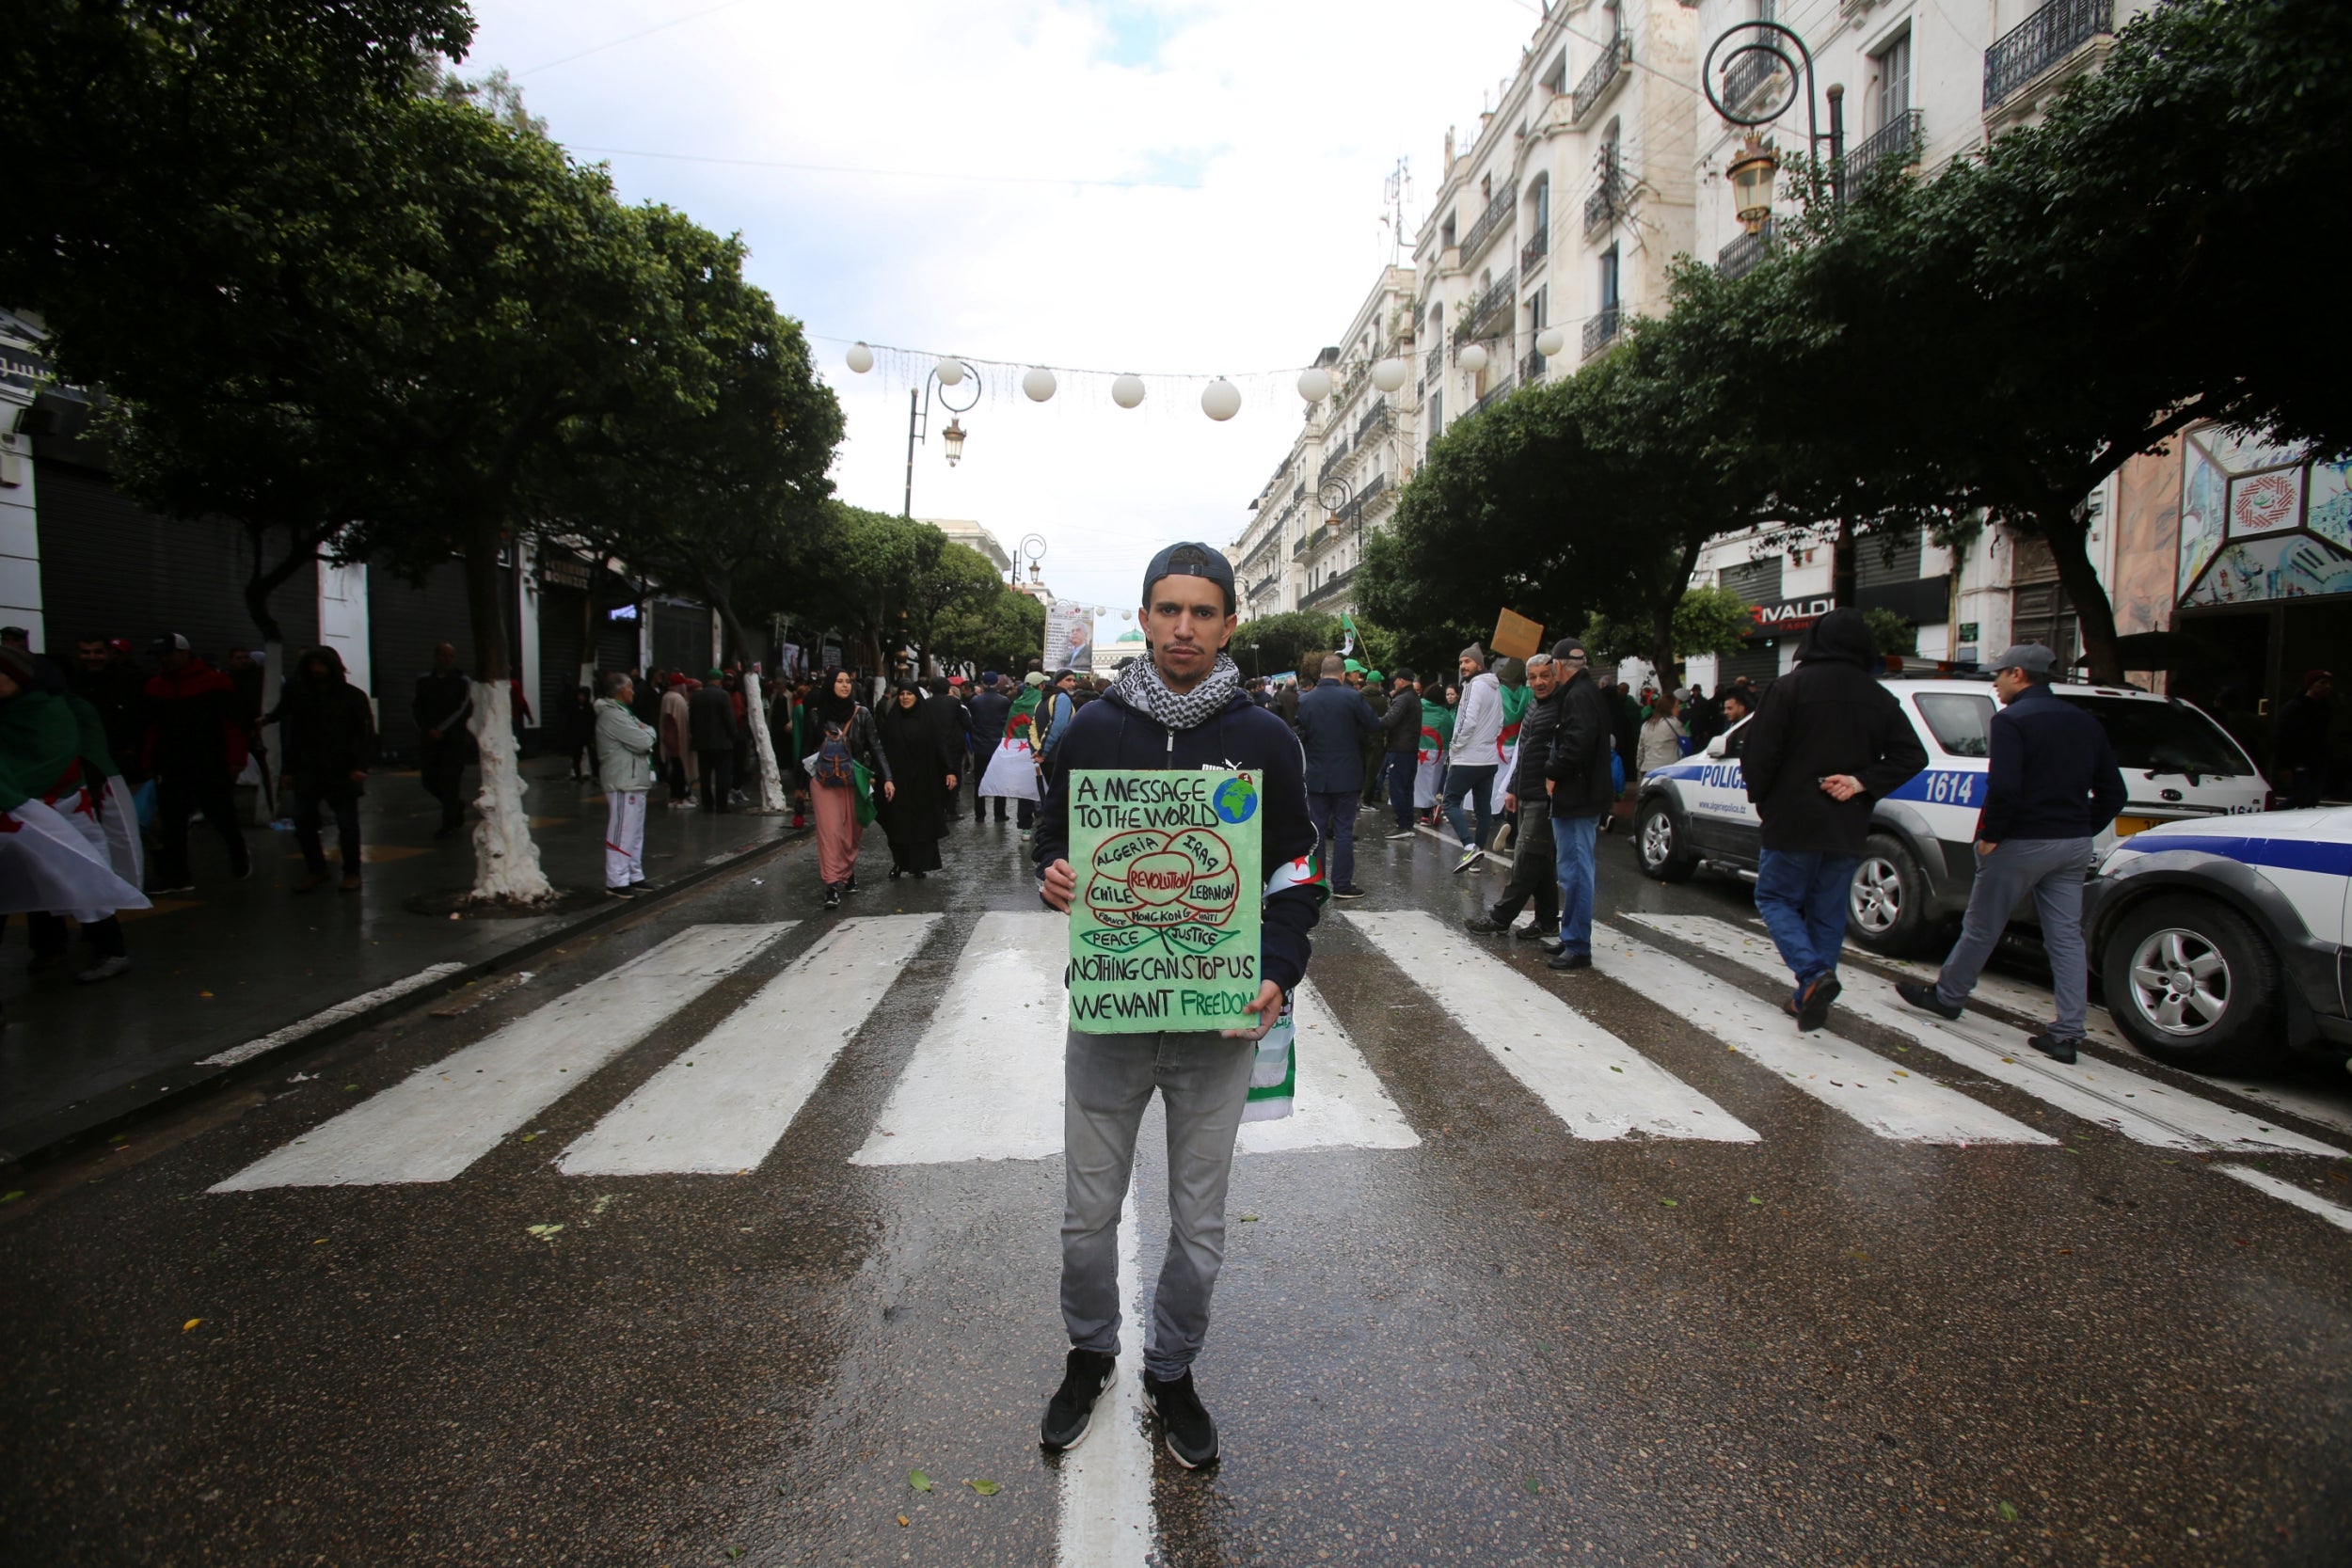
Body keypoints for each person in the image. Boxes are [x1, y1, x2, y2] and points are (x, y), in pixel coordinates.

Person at [1033, 541, 1319, 1470]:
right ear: (1145, 616)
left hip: (1217, 1025)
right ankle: (1090, 1353)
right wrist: (1053, 869)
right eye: (1167, 609)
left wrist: (1279, 964)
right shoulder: (1092, 729)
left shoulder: (1266, 738)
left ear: (1229, 622)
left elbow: (1295, 871)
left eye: (1203, 611)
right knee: (1086, 1214)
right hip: (1110, 1019)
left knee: (1199, 1225)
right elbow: (1047, 830)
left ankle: (1172, 1366)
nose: (1184, 627)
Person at [1897, 644, 2125, 1061]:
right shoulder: (2085, 723)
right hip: (2073, 845)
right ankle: (2068, 1033)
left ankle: (1948, 997)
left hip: (2020, 841)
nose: (1995, 683)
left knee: (1983, 924)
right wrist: (2080, 829)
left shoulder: (2011, 721)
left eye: (1999, 674)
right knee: (2065, 938)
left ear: (2018, 674)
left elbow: (2004, 787)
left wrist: (1991, 835)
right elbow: (2115, 793)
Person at [1740, 609, 1928, 1030]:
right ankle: (1810, 999)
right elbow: (1912, 755)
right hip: (1847, 821)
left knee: (1775, 899)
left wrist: (1762, 799)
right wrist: (1862, 782)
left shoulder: (1788, 688)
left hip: (1792, 818)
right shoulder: (1878, 697)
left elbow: (1759, 753)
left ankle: (1813, 975)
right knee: (1826, 912)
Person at [144, 632, 252, 893]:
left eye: (167, 654)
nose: (163, 660)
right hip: (171, 764)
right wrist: (149, 761)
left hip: (209, 762)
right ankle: (178, 875)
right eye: (160, 656)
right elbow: (151, 728)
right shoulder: (156, 686)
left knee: (220, 814)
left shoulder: (215, 682)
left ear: (184, 653)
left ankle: (238, 851)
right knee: (173, 822)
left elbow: (233, 724)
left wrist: (235, 760)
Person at [1469, 651, 1564, 942]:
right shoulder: (1534, 706)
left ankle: (1500, 917)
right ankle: (1547, 920)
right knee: (1541, 859)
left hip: (1546, 796)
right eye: (1533, 677)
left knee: (1527, 857)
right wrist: (1513, 789)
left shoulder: (1563, 707)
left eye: (1545, 676)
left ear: (1555, 675)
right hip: (1527, 792)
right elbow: (1523, 751)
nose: (1539, 682)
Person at [273, 647, 375, 893]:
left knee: (347, 824)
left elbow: (365, 734)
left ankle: (351, 872)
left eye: (322, 665)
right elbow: (293, 736)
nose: (317, 670)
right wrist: (289, 770)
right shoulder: (302, 697)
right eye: (313, 665)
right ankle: (316, 869)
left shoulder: (351, 696)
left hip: (342, 768)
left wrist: (360, 765)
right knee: (304, 821)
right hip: (309, 768)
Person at [1542, 639, 1613, 968]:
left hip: (1577, 796)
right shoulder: (1581, 692)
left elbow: (1577, 742)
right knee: (1570, 870)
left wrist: (1553, 771)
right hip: (1577, 794)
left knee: (1577, 873)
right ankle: (1571, 934)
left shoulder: (1580, 695)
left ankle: (1578, 945)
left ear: (1557, 666)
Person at [807, 666, 892, 910]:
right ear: (830, 685)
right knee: (830, 831)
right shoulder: (817, 713)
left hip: (855, 778)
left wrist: (887, 777)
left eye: (848, 682)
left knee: (851, 831)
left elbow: (876, 747)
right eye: (839, 681)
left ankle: (847, 871)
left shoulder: (862, 714)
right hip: (823, 781)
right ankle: (832, 884)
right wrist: (800, 790)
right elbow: (807, 748)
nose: (844, 685)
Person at [1296, 653, 1376, 900]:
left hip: (1317, 774)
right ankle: (1342, 884)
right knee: (1343, 830)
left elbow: (1300, 733)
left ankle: (1317, 884)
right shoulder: (1353, 697)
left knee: (1316, 830)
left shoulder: (1306, 700)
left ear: (1320, 675)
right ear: (1343, 675)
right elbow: (1373, 725)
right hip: (1347, 773)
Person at [876, 680, 955, 879]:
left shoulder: (928, 721)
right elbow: (882, 751)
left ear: (916, 697)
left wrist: (949, 770)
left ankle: (919, 865)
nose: (905, 698)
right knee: (897, 823)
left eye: (909, 694)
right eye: (902, 694)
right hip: (898, 782)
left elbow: (940, 746)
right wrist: (882, 777)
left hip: (924, 781)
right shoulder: (891, 722)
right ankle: (900, 863)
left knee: (922, 825)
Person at [594, 672, 658, 897]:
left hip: (633, 780)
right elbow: (643, 740)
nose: (633, 692)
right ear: (620, 691)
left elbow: (644, 733)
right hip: (622, 781)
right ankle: (616, 880)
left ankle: (634, 874)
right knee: (622, 830)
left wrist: (646, 731)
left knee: (635, 831)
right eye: (630, 688)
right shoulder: (613, 716)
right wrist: (649, 732)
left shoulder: (624, 713)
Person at [1443, 643, 1504, 870]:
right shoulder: (1496, 688)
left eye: (1467, 661)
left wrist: (1455, 745)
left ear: (1479, 663)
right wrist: (1488, 741)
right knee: (1483, 809)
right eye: (1460, 662)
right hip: (1489, 759)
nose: (1462, 666)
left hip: (1467, 758)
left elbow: (1466, 722)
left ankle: (1470, 848)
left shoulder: (1473, 686)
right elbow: (1500, 722)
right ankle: (1476, 857)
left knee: (1449, 803)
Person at [412, 642, 474, 839]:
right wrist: (426, 729)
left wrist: (441, 729)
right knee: (429, 780)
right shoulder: (424, 681)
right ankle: (455, 805)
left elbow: (463, 708)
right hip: (430, 739)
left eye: (450, 656)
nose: (447, 659)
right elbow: (417, 707)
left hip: (453, 740)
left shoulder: (462, 681)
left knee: (450, 781)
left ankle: (449, 821)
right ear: (436, 656)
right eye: (443, 655)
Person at [2273, 668, 2335, 809]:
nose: (2327, 687)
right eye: (2322, 683)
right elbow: (2282, 737)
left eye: (2329, 683)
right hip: (2299, 761)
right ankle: (2270, 814)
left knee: (2312, 798)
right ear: (2311, 685)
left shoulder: (2325, 708)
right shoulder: (2295, 708)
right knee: (2302, 796)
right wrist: (2283, 765)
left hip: (2318, 761)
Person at [689, 669, 736, 813]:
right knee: (722, 775)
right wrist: (733, 736)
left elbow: (692, 720)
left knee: (705, 775)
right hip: (722, 744)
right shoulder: (723, 695)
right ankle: (721, 804)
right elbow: (729, 719)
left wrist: (695, 736)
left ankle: (707, 803)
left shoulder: (696, 696)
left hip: (702, 743)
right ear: (719, 680)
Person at [968, 674, 1013, 823]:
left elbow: (972, 721)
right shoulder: (1004, 701)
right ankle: (999, 813)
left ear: (982, 682)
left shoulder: (975, 701)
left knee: (980, 780)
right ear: (997, 682)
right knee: (1000, 780)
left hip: (980, 745)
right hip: (998, 745)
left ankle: (980, 814)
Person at [1415, 676, 1454, 829]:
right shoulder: (1445, 714)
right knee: (1432, 782)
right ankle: (1430, 809)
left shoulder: (1418, 707)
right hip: (1438, 751)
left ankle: (1426, 813)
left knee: (1419, 782)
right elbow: (1450, 731)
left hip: (1418, 749)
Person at [659, 673, 695, 808]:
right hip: (677, 741)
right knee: (680, 769)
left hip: (670, 740)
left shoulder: (666, 697)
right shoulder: (677, 699)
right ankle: (681, 797)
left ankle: (674, 797)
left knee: (675, 769)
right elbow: (680, 722)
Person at [1357, 667, 1391, 808]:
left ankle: (1357, 798)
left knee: (1360, 769)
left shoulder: (1357, 696)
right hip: (1376, 739)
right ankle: (1366, 800)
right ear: (1378, 684)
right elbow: (1387, 719)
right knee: (1372, 772)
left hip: (1358, 738)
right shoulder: (1383, 701)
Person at [1635, 690, 1688, 775]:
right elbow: (1686, 743)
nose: (1679, 709)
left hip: (1647, 769)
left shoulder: (1646, 725)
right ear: (1669, 708)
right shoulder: (1674, 723)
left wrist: (1639, 766)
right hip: (1667, 768)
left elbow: (1641, 750)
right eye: (1676, 707)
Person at [563, 686, 597, 782]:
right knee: (576, 756)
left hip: (587, 735)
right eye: (580, 695)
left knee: (592, 755)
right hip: (576, 735)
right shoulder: (573, 707)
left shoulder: (589, 708)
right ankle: (578, 774)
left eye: (583, 696)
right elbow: (569, 722)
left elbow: (593, 721)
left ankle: (594, 775)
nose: (581, 698)